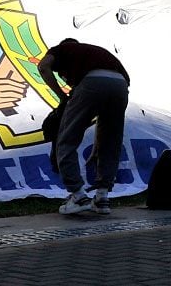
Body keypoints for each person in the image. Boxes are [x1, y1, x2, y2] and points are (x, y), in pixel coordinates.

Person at [36, 37, 131, 216]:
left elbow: (43, 67)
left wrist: (62, 97)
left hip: (92, 82)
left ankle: (78, 196)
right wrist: (98, 144)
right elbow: (103, 119)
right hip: (120, 84)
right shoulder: (95, 53)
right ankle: (102, 197)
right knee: (111, 141)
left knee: (66, 139)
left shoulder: (62, 50)